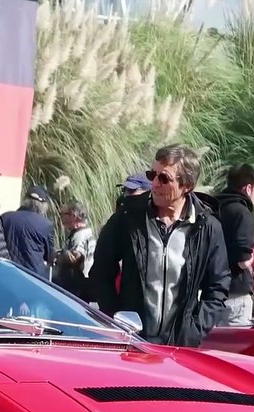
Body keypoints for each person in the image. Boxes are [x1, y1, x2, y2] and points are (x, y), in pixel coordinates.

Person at [89, 144, 230, 347]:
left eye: (164, 178)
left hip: (180, 347)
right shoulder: (128, 216)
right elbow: (101, 272)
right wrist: (117, 319)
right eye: (152, 175)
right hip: (133, 342)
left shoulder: (207, 227)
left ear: (187, 186)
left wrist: (193, 331)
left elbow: (218, 287)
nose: (154, 183)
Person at [214, 164, 254, 326]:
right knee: (236, 341)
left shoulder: (211, 208)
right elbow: (243, 260)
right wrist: (251, 257)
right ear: (248, 188)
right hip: (235, 295)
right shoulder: (242, 212)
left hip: (211, 293)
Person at [1, 186, 55, 277]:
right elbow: (49, 256)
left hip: (7, 272)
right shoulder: (46, 225)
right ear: (43, 205)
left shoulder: (5, 217)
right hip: (33, 277)